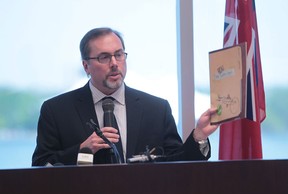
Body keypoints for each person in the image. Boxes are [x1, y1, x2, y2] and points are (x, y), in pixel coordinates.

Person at [32, 27, 218, 166]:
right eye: (104, 57)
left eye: (119, 55)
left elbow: (177, 163)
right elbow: (40, 166)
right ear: (86, 66)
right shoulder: (56, 111)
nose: (114, 63)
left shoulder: (156, 109)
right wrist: (83, 150)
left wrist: (199, 136)